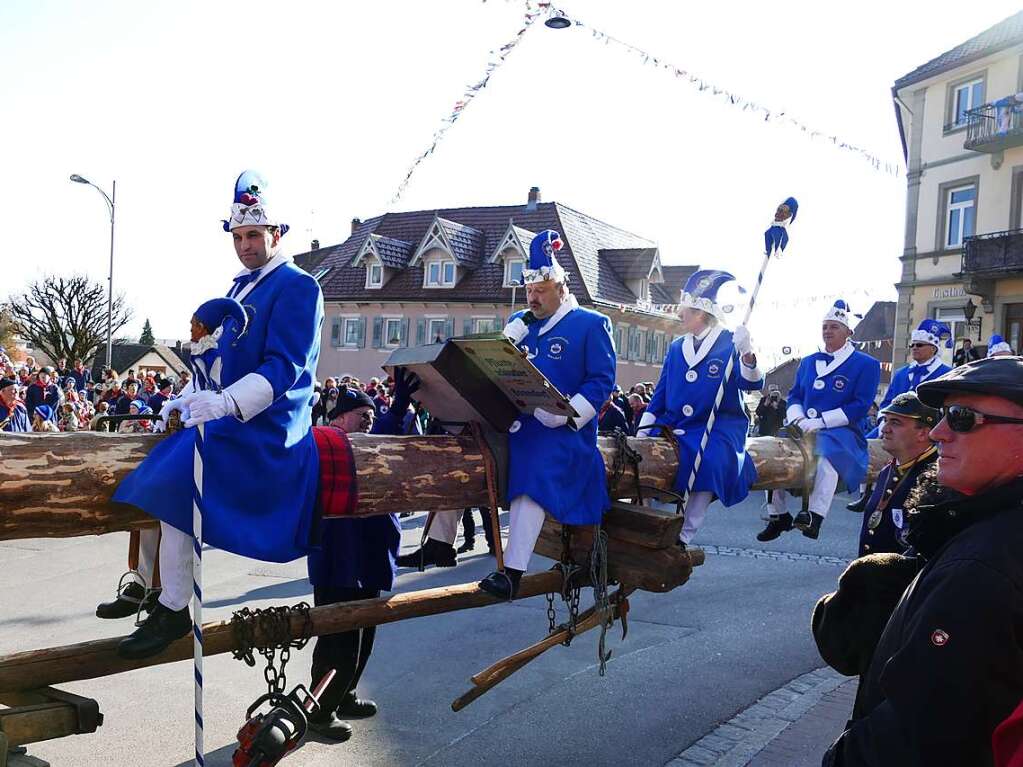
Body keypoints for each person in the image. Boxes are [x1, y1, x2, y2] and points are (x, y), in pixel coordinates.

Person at [108, 171, 324, 660]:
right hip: (229, 413)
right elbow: (217, 363)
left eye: (254, 235)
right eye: (238, 236)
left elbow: (285, 367)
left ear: (277, 234)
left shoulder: (298, 286)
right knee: (153, 467)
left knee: (178, 477)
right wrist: (187, 394)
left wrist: (226, 403)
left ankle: (173, 605)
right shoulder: (240, 287)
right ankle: (146, 584)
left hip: (268, 423)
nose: (245, 245)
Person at [823, 357, 1023, 765]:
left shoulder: (981, 569)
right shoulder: (979, 532)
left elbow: (912, 741)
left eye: (962, 418)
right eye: (941, 416)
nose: (939, 432)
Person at [398, 230, 616, 599]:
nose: (532, 298)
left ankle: (511, 571)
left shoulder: (591, 324)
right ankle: (440, 542)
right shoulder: (521, 321)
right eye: (529, 291)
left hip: (558, 430)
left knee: (533, 468)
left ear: (561, 287)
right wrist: (500, 343)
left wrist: (566, 414)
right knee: (459, 450)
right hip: (510, 419)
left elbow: (601, 381)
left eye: (540, 291)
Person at [304, 373, 416, 741]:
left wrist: (401, 409)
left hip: (368, 556)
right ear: (341, 418)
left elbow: (388, 441)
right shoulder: (327, 441)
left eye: (371, 417)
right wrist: (395, 407)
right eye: (362, 417)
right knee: (339, 638)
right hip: (340, 557)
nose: (368, 423)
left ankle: (345, 693)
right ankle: (320, 711)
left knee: (365, 634)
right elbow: (376, 441)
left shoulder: (367, 441)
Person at [636, 269, 763, 545]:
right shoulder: (676, 347)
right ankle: (643, 520)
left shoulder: (731, 342)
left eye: (686, 310)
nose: (680, 314)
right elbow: (660, 394)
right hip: (676, 426)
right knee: (639, 457)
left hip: (718, 426)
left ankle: (685, 534)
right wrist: (643, 432)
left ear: (701, 312)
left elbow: (750, 384)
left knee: (709, 461)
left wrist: (747, 353)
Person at [758, 300, 881, 541]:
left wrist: (822, 422)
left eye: (834, 327)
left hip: (840, 430)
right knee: (777, 453)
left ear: (848, 332)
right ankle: (778, 514)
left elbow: (861, 404)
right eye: (825, 327)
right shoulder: (809, 361)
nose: (828, 331)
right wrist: (798, 418)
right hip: (801, 425)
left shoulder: (867, 364)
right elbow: (795, 395)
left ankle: (815, 516)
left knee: (826, 458)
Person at [848, 319, 951, 511]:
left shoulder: (947, 374)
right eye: (912, 345)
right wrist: (882, 423)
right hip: (894, 424)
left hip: (925, 430)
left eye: (919, 345)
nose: (914, 348)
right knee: (862, 444)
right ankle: (867, 492)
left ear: (933, 348)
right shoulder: (902, 373)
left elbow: (946, 409)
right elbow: (887, 402)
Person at [856, 393, 939, 557]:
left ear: (923, 433)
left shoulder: (936, 479)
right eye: (886, 420)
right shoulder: (888, 471)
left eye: (895, 422)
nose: (885, 428)